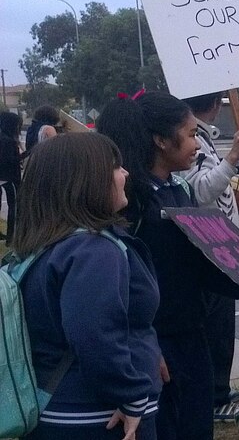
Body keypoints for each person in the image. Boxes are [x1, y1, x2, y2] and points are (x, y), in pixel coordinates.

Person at [97, 91, 239, 440]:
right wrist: (143, 347)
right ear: (161, 141)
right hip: (158, 349)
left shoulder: (177, 190)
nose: (197, 144)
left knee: (197, 426)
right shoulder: (134, 205)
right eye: (191, 134)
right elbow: (119, 291)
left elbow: (202, 264)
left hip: (191, 337)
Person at [14, 132, 161, 440]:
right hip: (97, 416)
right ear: (86, 180)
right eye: (115, 167)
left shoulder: (44, 246)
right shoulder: (93, 250)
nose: (125, 174)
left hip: (53, 408)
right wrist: (131, 393)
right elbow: (95, 334)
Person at [179, 91, 239, 423]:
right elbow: (203, 189)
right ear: (216, 105)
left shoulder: (200, 137)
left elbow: (216, 180)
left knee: (218, 326)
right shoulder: (196, 139)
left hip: (217, 243)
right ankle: (216, 397)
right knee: (215, 329)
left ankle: (216, 389)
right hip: (211, 247)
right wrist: (233, 156)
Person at [0, 111, 22, 244]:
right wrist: (24, 155)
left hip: (4, 176)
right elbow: (8, 160)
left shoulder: (3, 138)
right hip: (10, 177)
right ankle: (11, 237)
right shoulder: (8, 141)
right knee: (14, 206)